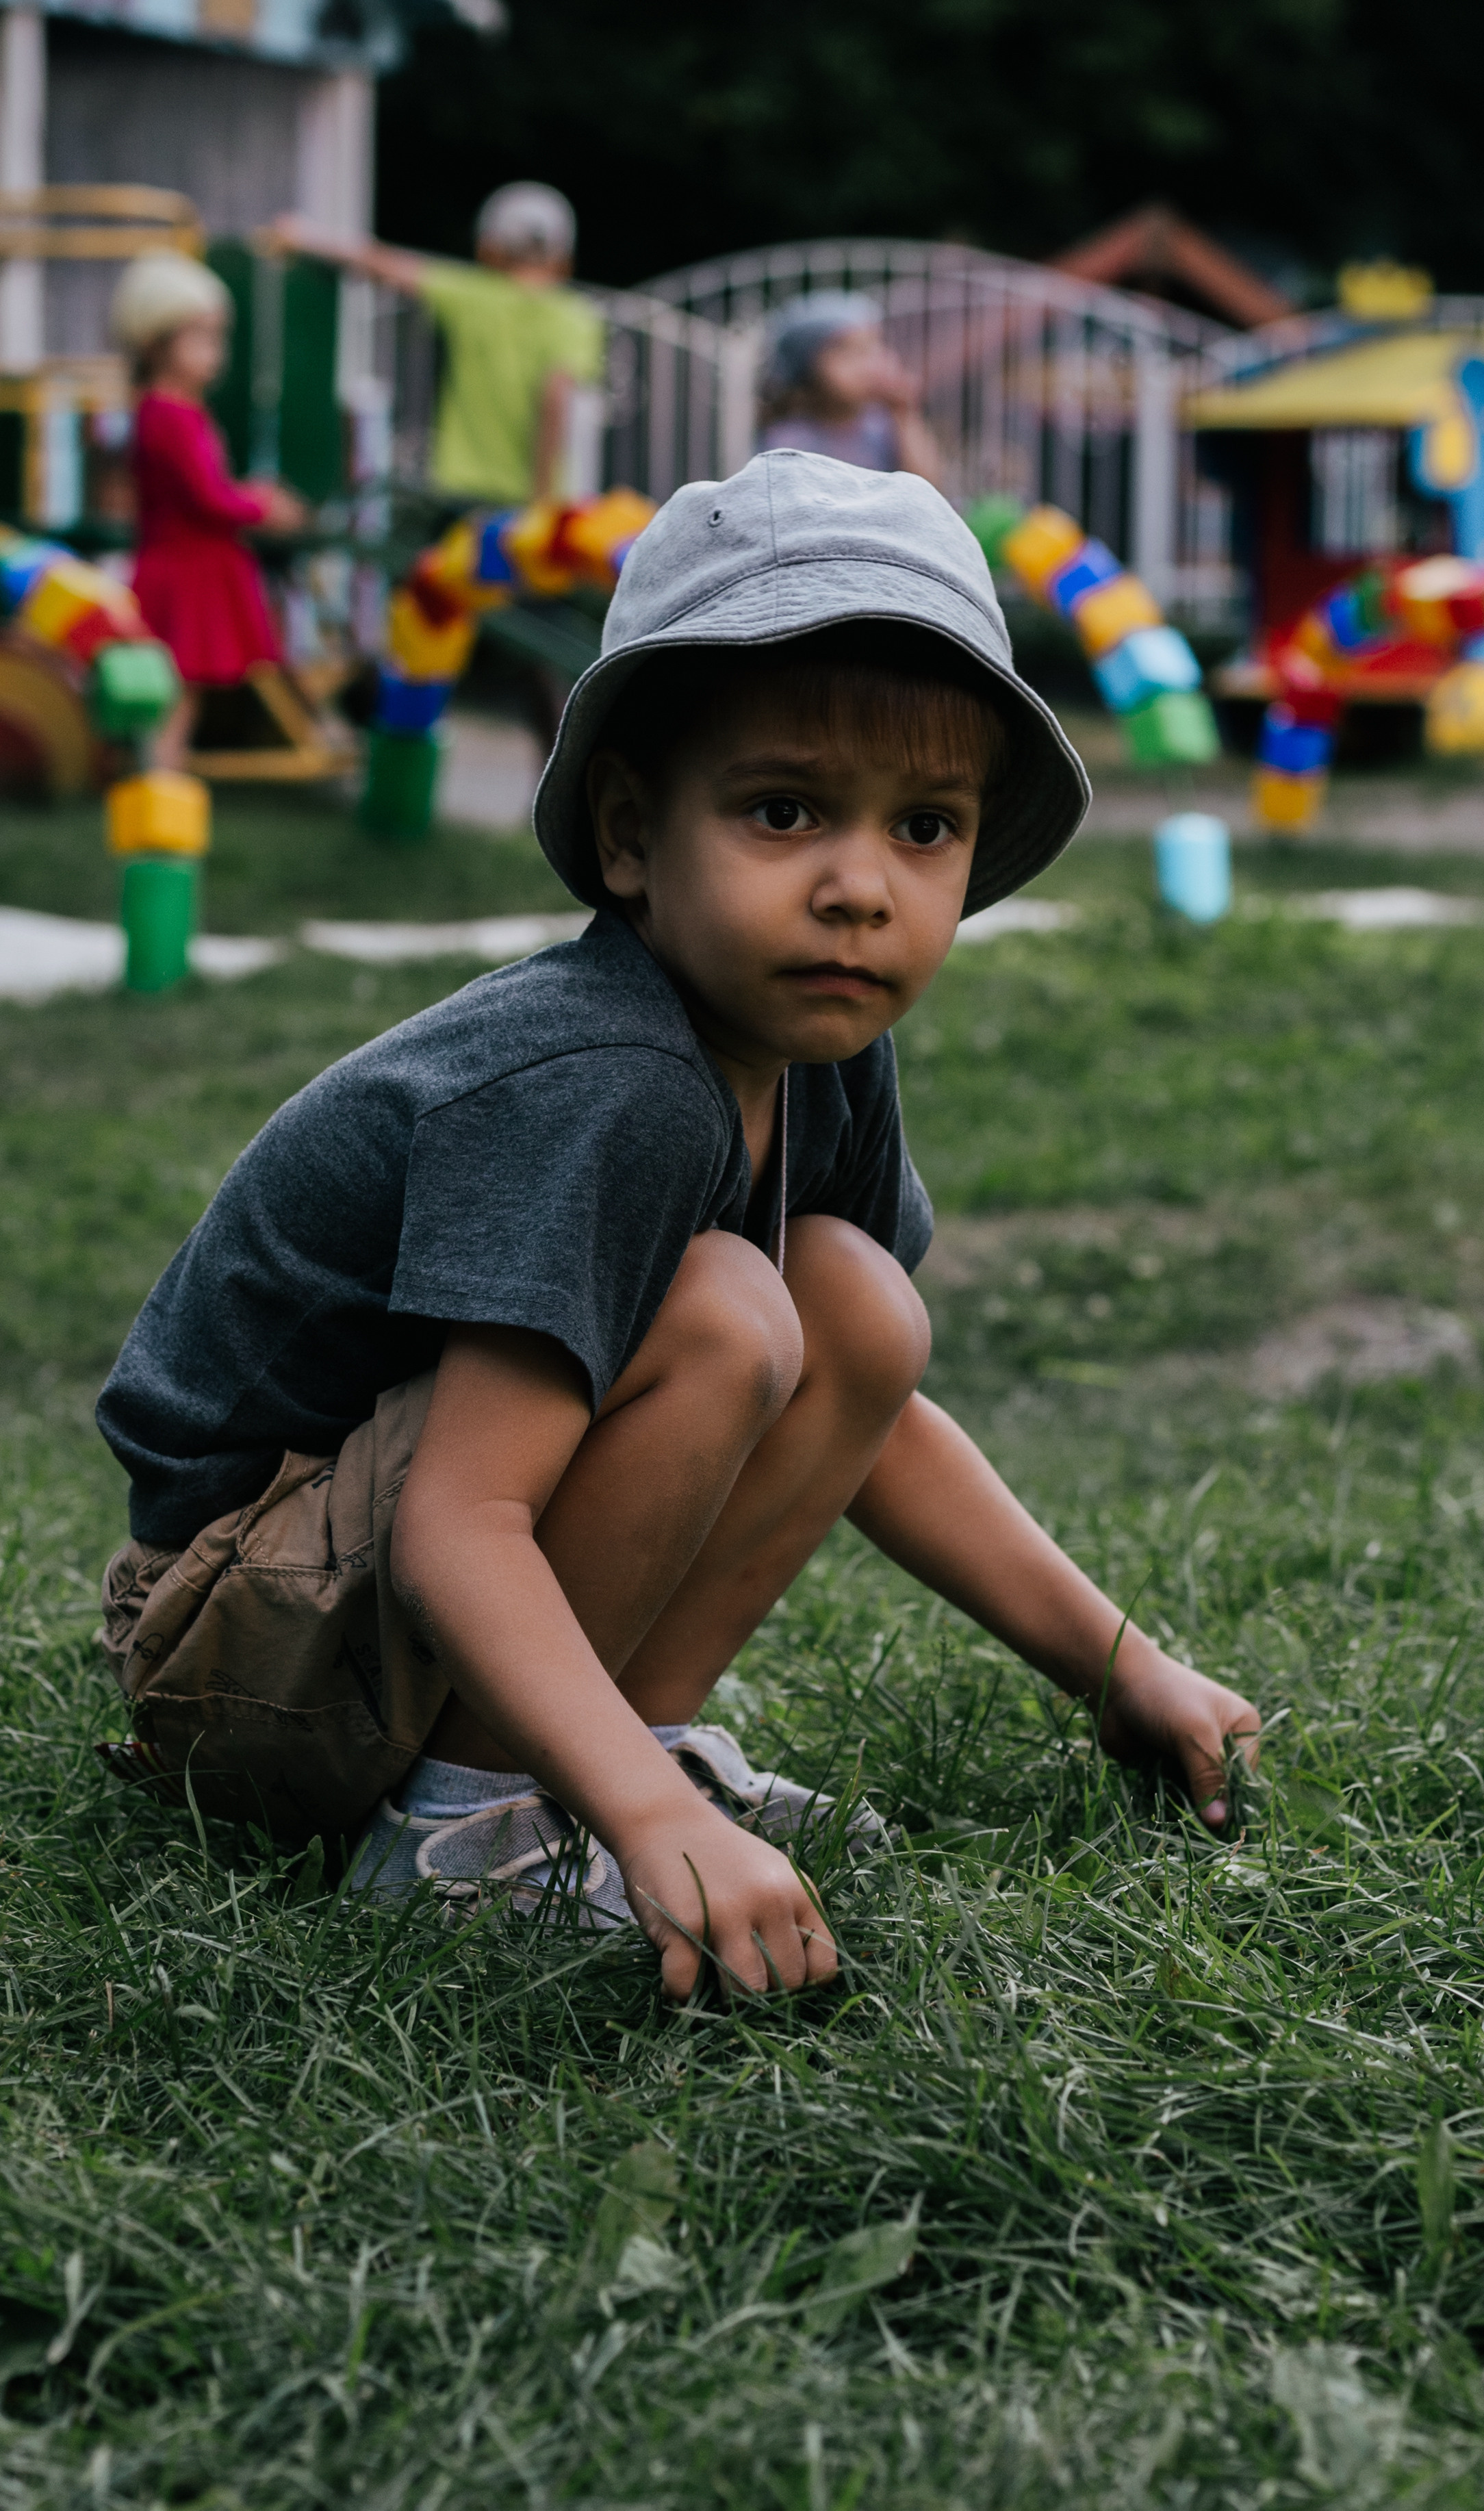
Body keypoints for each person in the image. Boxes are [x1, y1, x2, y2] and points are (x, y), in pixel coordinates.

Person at [94, 450, 1259, 2004]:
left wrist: (1116, 1665)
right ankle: (470, 1828)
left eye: (925, 827)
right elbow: (461, 1523)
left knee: (849, 1301)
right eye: (785, 811)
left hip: (360, 1606)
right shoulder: (606, 1080)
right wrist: (654, 1829)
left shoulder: (818, 1046)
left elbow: (876, 1411)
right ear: (634, 836)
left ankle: (609, 1749)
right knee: (729, 1307)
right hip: (227, 1635)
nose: (860, 889)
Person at [272, 183, 603, 507]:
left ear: (487, 249)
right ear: (564, 259)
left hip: (462, 489)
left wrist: (304, 238)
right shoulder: (576, 315)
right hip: (534, 500)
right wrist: (542, 501)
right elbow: (556, 397)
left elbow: (383, 264)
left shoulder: (473, 295)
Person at [109, 251, 307, 772]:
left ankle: (161, 773)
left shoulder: (178, 409)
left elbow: (206, 490)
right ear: (155, 342)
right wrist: (262, 504)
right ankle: (158, 776)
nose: (215, 351)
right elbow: (208, 499)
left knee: (181, 689)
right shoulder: (168, 414)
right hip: (185, 570)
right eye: (200, 337)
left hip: (192, 564)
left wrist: (248, 496)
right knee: (176, 688)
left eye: (218, 337)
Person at [758, 292, 941, 485]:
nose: (869, 366)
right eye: (850, 354)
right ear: (806, 368)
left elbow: (927, 487)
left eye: (874, 348)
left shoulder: (882, 425)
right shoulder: (789, 440)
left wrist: (904, 414)